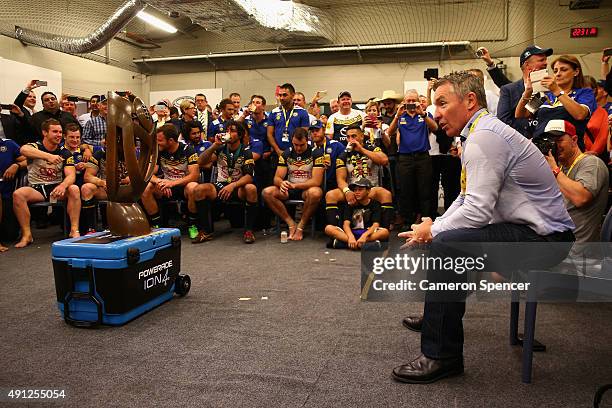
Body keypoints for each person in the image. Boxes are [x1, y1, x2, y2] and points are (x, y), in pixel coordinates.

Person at [393, 71, 574, 384]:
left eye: (442, 103)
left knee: (447, 246)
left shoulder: (484, 138)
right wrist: (435, 225)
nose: (435, 113)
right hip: (532, 232)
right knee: (449, 241)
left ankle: (441, 354)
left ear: (470, 101)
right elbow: (465, 198)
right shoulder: (480, 132)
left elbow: (476, 212)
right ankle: (439, 317)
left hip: (546, 240)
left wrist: (433, 232)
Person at [13, 119, 81, 247]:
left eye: (60, 132)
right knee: (18, 194)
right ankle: (27, 235)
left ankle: (74, 230)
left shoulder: (64, 151)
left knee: (74, 189)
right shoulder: (35, 146)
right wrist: (48, 156)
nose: (59, 135)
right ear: (45, 132)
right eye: (55, 131)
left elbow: (71, 175)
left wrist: (63, 185)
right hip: (36, 189)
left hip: (56, 188)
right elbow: (23, 150)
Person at [543, 120, 608, 242]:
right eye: (551, 142)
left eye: (559, 140)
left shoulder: (592, 163)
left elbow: (581, 198)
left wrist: (554, 170)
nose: (554, 146)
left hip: (578, 253)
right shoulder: (559, 167)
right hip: (556, 243)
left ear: (574, 140)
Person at [141, 125, 205, 242]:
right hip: (166, 186)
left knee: (193, 187)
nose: (157, 143)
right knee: (146, 188)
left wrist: (172, 183)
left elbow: (194, 175)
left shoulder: (188, 149)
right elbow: (148, 173)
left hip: (184, 185)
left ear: (170, 141)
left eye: (160, 140)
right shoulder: (158, 151)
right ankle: (157, 225)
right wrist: (160, 182)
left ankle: (192, 224)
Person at [197, 120, 258, 244]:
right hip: (220, 185)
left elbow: (249, 176)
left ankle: (249, 231)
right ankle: (206, 231)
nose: (228, 133)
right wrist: (214, 145)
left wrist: (232, 185)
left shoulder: (246, 152)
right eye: (227, 130)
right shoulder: (220, 149)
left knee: (251, 188)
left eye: (233, 131)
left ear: (240, 135)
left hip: (237, 186)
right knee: (199, 189)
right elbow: (200, 162)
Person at [325, 124, 394, 229]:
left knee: (385, 194)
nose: (350, 139)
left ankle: (382, 232)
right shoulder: (343, 154)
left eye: (354, 136)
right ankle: (336, 231)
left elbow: (384, 160)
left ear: (362, 136)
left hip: (370, 189)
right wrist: (347, 191)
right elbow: (340, 179)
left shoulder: (372, 148)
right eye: (348, 137)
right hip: (352, 190)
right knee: (331, 195)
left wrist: (362, 150)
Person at [516, 54, 597, 142]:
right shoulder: (546, 95)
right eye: (555, 71)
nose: (558, 74)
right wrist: (527, 92)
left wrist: (557, 90)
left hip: (569, 146)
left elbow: (580, 115)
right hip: (541, 144)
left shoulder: (584, 93)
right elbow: (520, 114)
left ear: (576, 72)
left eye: (563, 70)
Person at [262, 128, 324, 241]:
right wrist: (281, 182)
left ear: (308, 140)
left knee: (315, 192)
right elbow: (276, 178)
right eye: (295, 144)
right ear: (292, 141)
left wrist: (295, 185)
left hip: (306, 189)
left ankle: (301, 225)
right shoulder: (286, 153)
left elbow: (316, 181)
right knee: (267, 192)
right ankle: (290, 223)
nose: (298, 148)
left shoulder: (316, 153)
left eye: (302, 145)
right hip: (289, 189)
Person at [388, 89, 438, 228]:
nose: (410, 103)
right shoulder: (401, 116)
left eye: (413, 101)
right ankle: (408, 220)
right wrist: (397, 116)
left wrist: (422, 113)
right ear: (404, 102)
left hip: (423, 157)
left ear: (417, 101)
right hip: (404, 158)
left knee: (425, 189)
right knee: (406, 190)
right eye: (408, 101)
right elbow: (389, 132)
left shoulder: (425, 114)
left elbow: (435, 128)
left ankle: (425, 219)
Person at [497, 45, 553, 137]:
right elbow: (503, 120)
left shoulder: (552, 89)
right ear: (527, 65)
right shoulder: (508, 90)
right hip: (518, 142)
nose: (546, 63)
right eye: (541, 60)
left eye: (546, 60)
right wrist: (524, 137)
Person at [324, 177, 389, 250]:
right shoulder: (350, 204)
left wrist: (364, 236)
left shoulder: (375, 204)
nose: (357, 192)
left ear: (368, 191)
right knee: (328, 228)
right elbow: (346, 224)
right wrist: (351, 237)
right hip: (350, 233)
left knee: (385, 232)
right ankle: (362, 244)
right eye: (355, 190)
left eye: (360, 190)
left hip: (368, 234)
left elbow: (375, 225)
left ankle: (346, 244)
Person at [267, 83, 310, 160]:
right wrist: (277, 150)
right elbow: (269, 134)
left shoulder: (302, 112)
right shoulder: (273, 112)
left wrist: (295, 151)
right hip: (277, 153)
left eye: (284, 95)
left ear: (292, 95)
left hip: (296, 154)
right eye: (280, 95)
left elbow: (304, 134)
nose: (281, 98)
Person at [0, 137, 26, 251]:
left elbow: (28, 159)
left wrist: (17, 165)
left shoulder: (8, 144)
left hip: (7, 195)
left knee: (11, 235)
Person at [310, 119, 344, 192]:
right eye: (312, 131)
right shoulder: (309, 148)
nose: (314, 133)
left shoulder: (336, 145)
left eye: (317, 130)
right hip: (315, 186)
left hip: (334, 186)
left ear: (324, 130)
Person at [582, 76, 610, 159]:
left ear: (594, 90)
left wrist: (589, 155)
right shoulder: (571, 110)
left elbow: (602, 138)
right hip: (572, 157)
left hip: (593, 158)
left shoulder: (602, 112)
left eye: (584, 88)